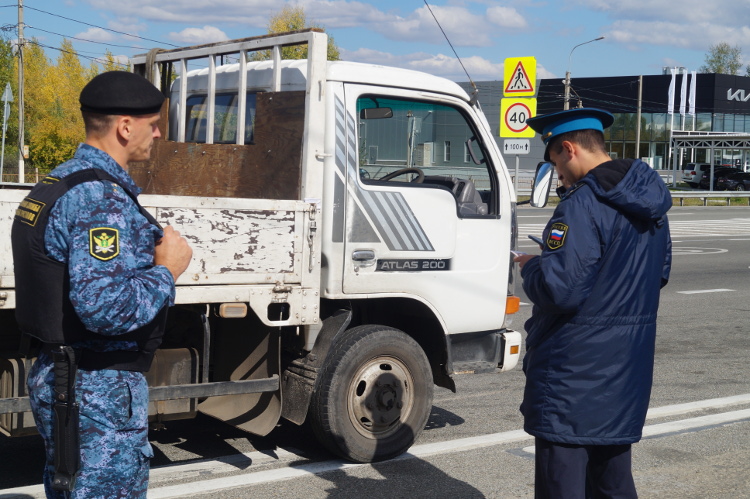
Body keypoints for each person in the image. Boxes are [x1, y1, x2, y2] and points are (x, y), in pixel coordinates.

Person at [11, 71, 193, 498]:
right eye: (153, 123)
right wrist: (167, 270)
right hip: (96, 388)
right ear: (125, 127)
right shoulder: (100, 198)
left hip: (66, 376)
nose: (159, 133)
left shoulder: (58, 182)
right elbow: (104, 308)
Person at [514, 108, 672, 499]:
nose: (559, 176)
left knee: (562, 485)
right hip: (625, 373)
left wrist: (533, 267)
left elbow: (560, 291)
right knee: (612, 484)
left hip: (572, 379)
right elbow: (659, 274)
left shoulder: (581, 205)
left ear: (568, 149)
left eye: (555, 164)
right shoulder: (650, 201)